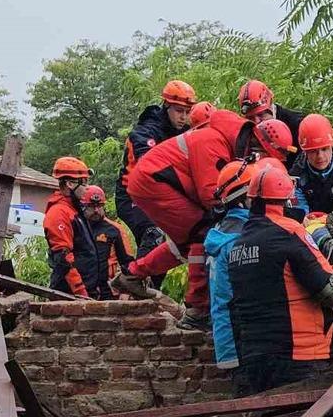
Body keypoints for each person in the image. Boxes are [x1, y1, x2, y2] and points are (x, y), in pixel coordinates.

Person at [111, 109, 295, 330]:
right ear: (257, 146)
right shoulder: (212, 142)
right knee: (203, 232)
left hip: (160, 180)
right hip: (154, 181)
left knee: (186, 243)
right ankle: (197, 309)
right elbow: (212, 195)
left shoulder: (228, 142)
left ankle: (133, 274)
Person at [226, 163, 333, 395]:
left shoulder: (238, 245)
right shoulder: (290, 233)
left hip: (254, 359)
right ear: (288, 200)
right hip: (301, 356)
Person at [114, 79, 196, 282]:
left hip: (159, 195)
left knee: (172, 244)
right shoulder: (145, 132)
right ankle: (132, 283)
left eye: (187, 112)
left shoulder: (185, 131)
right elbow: (149, 167)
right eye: (179, 111)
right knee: (154, 233)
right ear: (166, 106)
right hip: (132, 195)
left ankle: (150, 289)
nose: (183, 117)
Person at [202, 160, 255, 370]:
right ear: (243, 197)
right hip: (244, 341)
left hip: (228, 340)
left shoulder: (222, 231)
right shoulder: (242, 237)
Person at [43, 156, 97, 297]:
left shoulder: (73, 210)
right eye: (84, 183)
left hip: (85, 289)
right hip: (69, 293)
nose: (87, 188)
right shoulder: (59, 213)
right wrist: (80, 292)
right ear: (70, 184)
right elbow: (64, 258)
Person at [79, 185, 134, 300]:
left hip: (108, 291)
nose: (96, 210)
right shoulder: (77, 227)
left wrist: (126, 291)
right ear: (83, 206)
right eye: (91, 206)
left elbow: (128, 262)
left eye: (99, 206)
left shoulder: (115, 230)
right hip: (81, 289)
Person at [237, 79, 305, 164]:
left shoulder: (297, 125)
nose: (257, 122)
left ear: (271, 107)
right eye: (251, 118)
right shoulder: (246, 130)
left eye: (261, 115)